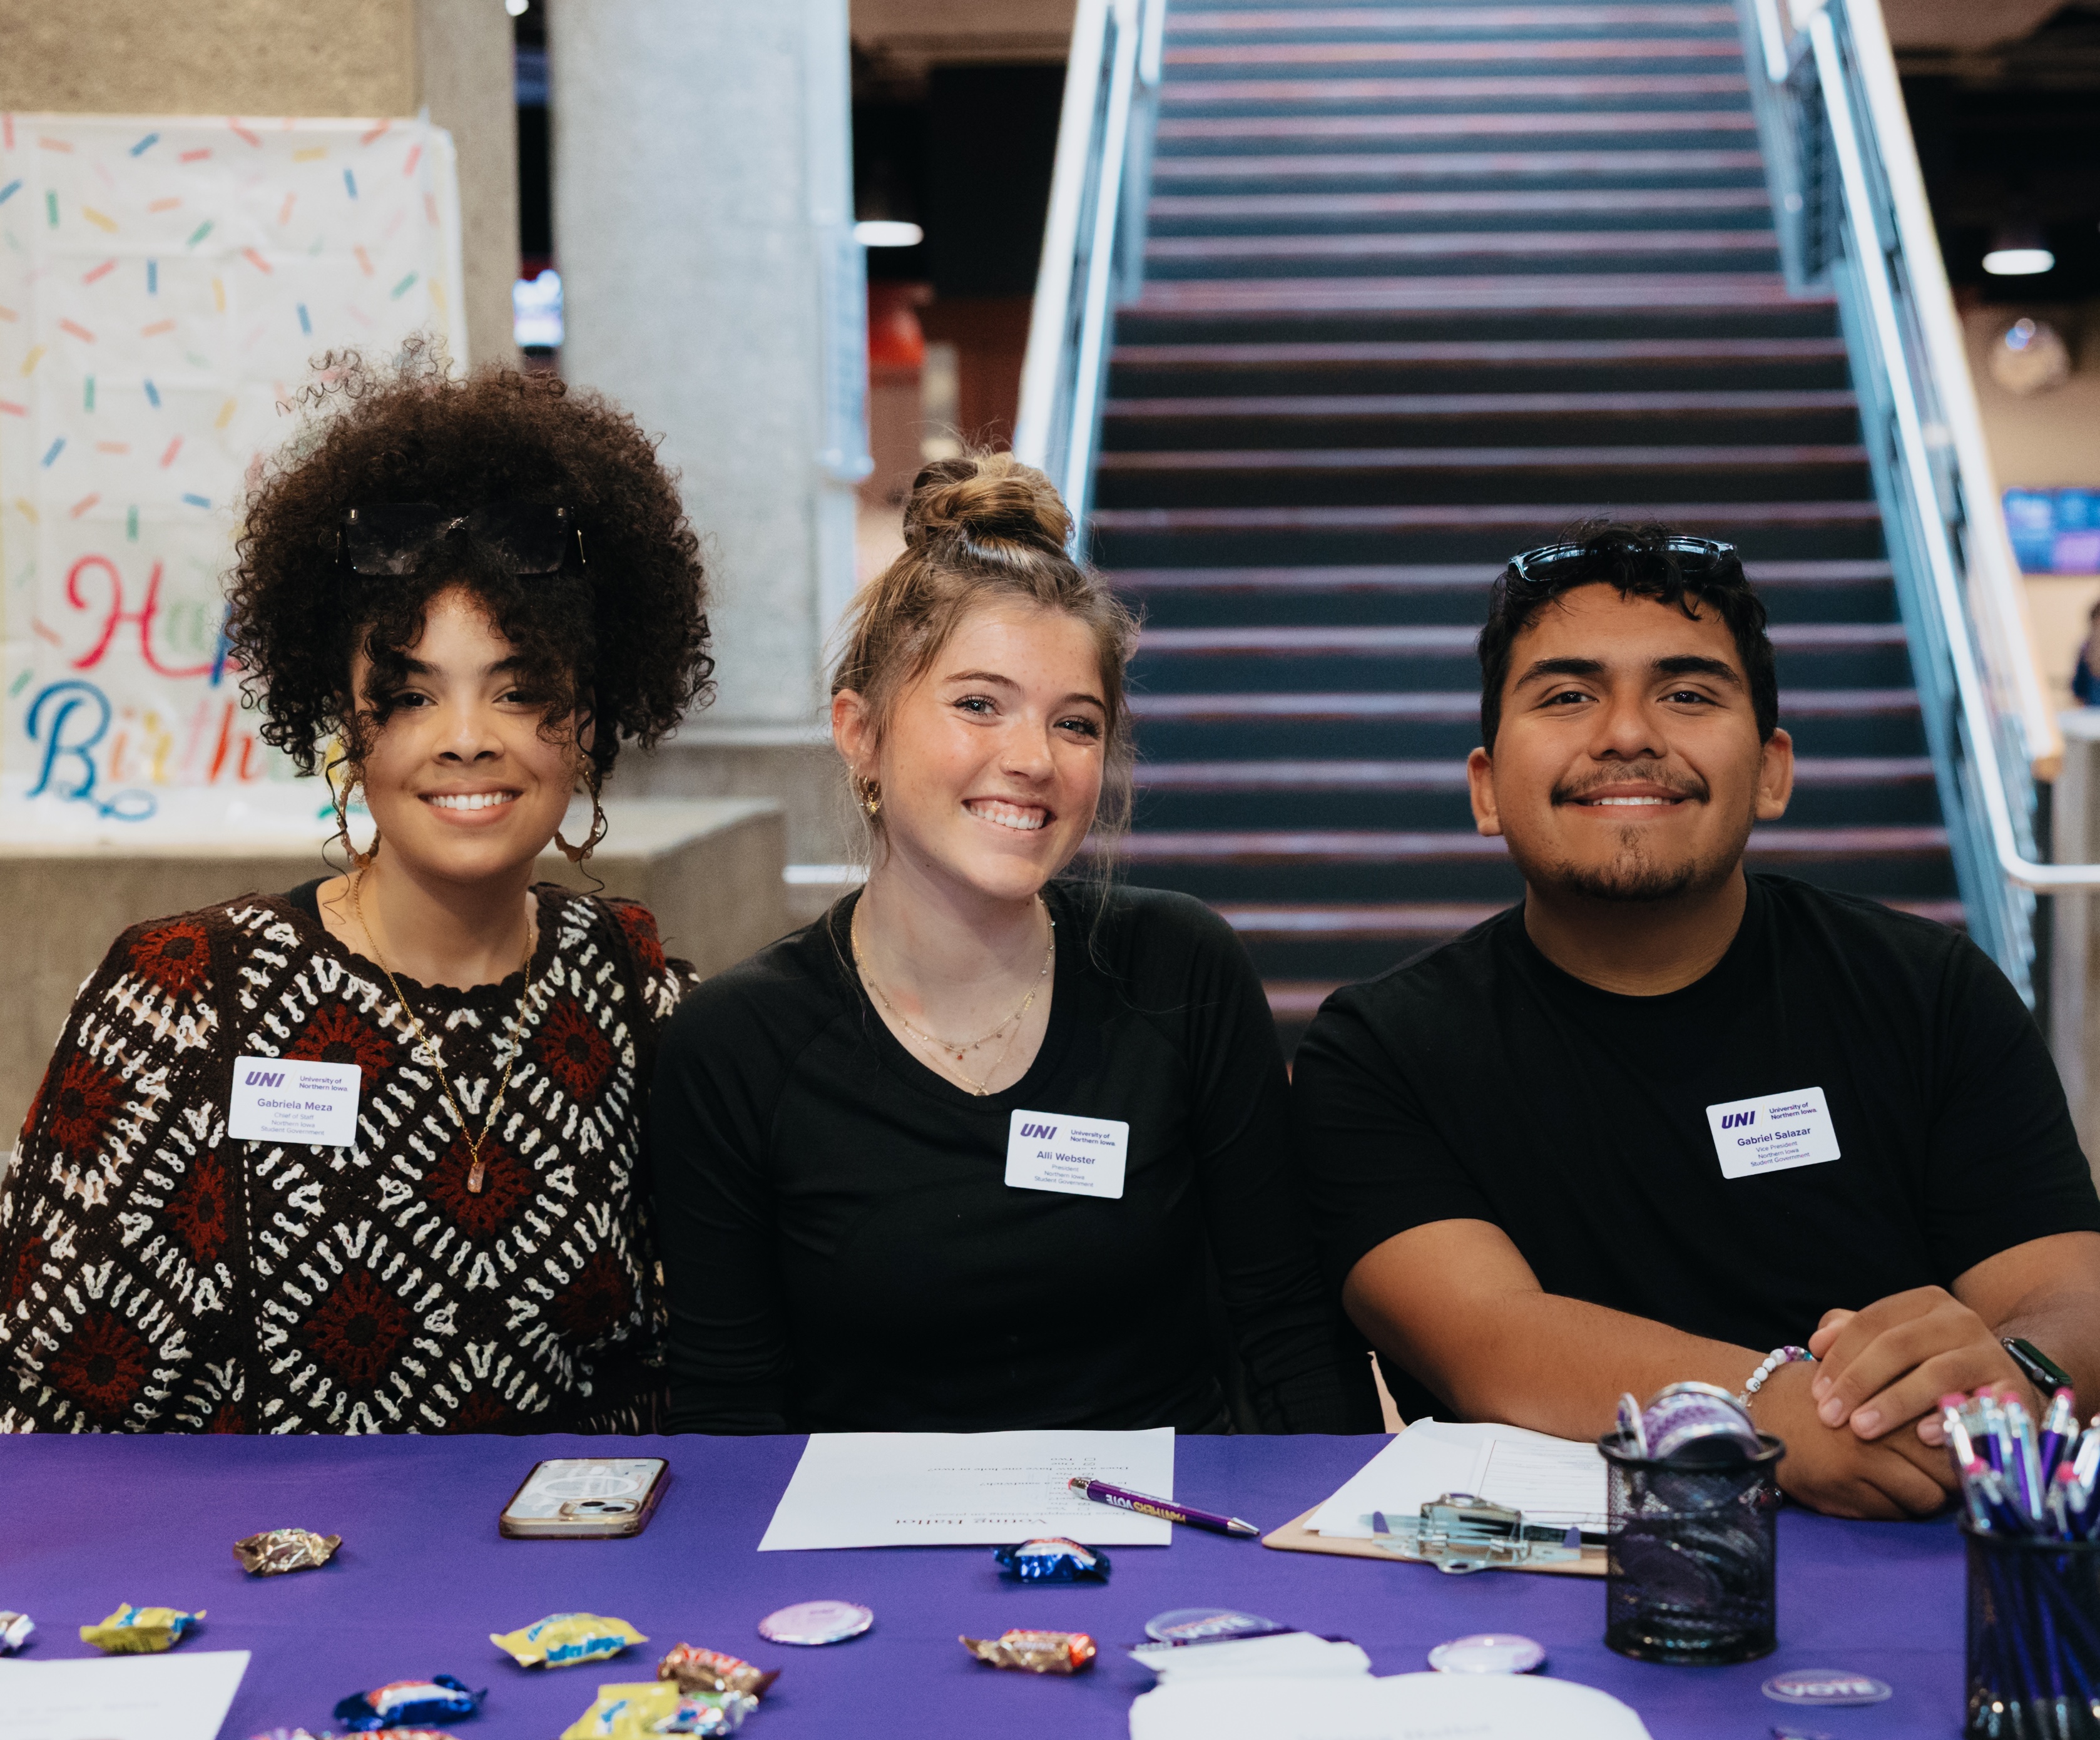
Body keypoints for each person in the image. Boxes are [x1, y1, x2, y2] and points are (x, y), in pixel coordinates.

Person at [1292, 520, 2100, 1518]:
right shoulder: (1379, 1053)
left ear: (1772, 768)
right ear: (1486, 786)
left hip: (1918, 1548)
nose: (1628, 734)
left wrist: (2011, 1373)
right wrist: (1772, 1409)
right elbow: (1489, 1341)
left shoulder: (1925, 988)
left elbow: (2070, 1286)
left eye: (1687, 693)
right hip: (1536, 1598)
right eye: (1567, 695)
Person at [0, 349, 714, 1432]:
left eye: (520, 692)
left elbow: (680, 1380)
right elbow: (54, 1422)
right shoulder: (183, 1002)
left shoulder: (634, 994)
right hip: (260, 1592)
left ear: (594, 717)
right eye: (410, 696)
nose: (466, 741)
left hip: (569, 1595)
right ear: (342, 720)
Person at [650, 454, 1376, 1434]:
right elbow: (727, 1415)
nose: (1032, 760)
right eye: (978, 704)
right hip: (869, 1566)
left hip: (1163, 1547)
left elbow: (1288, 1330)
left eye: (1075, 724)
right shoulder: (737, 1044)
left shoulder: (1177, 969)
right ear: (859, 733)